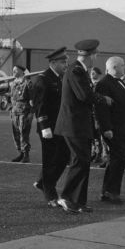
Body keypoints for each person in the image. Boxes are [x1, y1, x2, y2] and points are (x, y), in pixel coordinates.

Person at [54, 39, 111, 214]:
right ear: (91, 55)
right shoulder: (76, 71)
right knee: (80, 161)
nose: (96, 57)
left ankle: (78, 201)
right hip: (73, 124)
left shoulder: (79, 70)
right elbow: (83, 96)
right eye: (95, 54)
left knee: (83, 161)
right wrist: (103, 99)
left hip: (78, 124)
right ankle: (66, 197)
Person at [94, 56, 125, 203]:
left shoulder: (119, 82)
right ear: (114, 67)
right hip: (114, 129)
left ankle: (107, 191)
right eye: (122, 65)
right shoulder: (104, 83)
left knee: (117, 159)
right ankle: (112, 192)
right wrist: (106, 128)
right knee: (118, 159)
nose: (124, 67)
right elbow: (101, 109)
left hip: (124, 128)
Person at [31, 47, 70, 207]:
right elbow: (39, 105)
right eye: (62, 62)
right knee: (50, 160)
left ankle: (42, 182)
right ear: (53, 63)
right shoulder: (43, 79)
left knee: (64, 157)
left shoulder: (60, 78)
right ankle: (50, 194)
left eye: (66, 62)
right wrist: (44, 126)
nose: (65, 65)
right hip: (48, 128)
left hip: (59, 126)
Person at [8, 64, 33, 163]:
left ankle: (26, 155)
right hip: (15, 112)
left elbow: (32, 100)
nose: (13, 72)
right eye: (13, 70)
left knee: (24, 133)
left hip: (24, 112)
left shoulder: (28, 83)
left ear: (22, 71)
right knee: (16, 134)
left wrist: (31, 113)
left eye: (15, 70)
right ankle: (21, 153)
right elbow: (11, 98)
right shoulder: (13, 83)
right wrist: (10, 110)